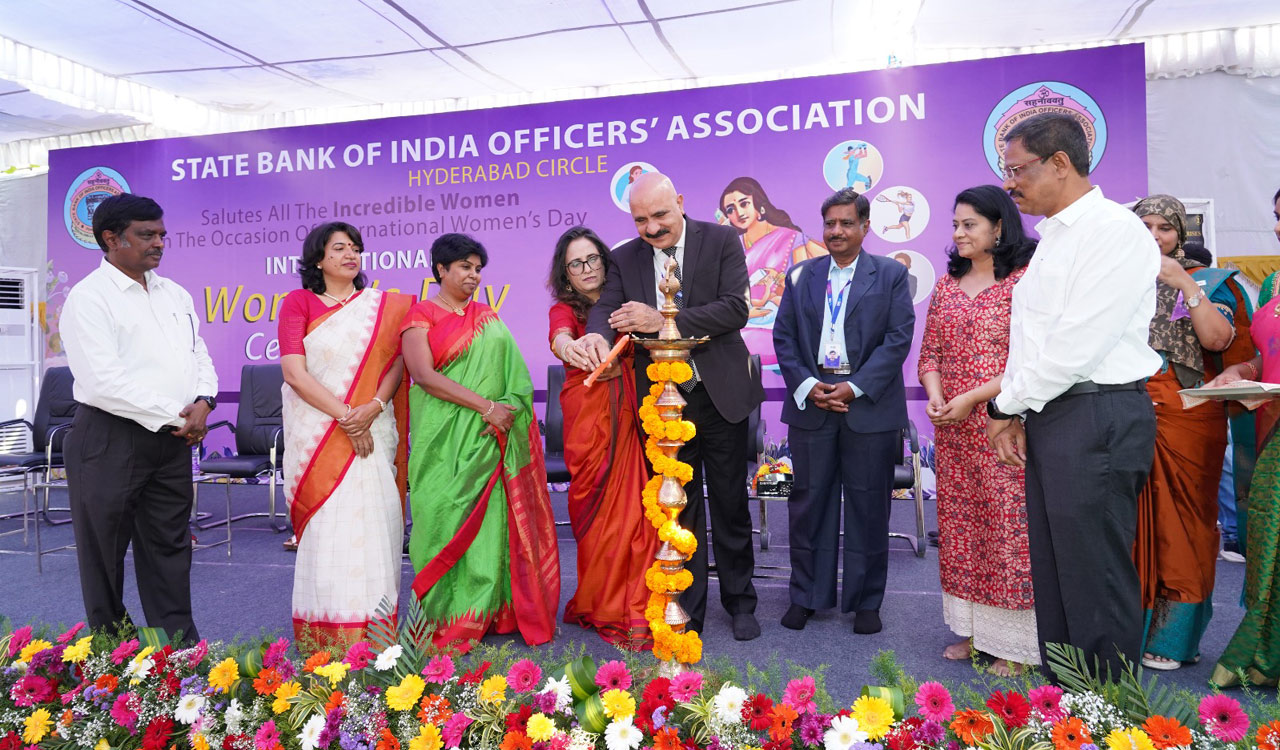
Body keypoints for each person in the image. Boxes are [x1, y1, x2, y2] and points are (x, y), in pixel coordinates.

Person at [986, 113, 1160, 679]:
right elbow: (1032, 343)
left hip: (1098, 413)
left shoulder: (1112, 230)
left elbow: (1075, 346)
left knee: (1096, 577)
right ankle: (1067, 709)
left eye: (1017, 169)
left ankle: (1109, 716)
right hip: (1057, 413)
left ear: (1060, 164)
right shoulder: (1054, 240)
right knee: (1059, 571)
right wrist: (1016, 407)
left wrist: (1004, 405)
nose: (1009, 183)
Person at [576, 171, 765, 641]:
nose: (652, 228)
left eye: (660, 215)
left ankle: (741, 602)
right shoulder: (624, 257)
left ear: (679, 201)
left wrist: (660, 319)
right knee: (678, 511)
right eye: (641, 220)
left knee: (728, 503)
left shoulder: (722, 240)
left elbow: (734, 309)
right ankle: (688, 607)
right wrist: (597, 335)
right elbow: (606, 309)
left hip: (719, 395)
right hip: (661, 405)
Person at [60, 193, 217, 644]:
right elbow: (104, 381)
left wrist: (204, 400)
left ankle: (177, 652)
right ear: (111, 239)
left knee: (169, 548)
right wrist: (181, 415)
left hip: (172, 440)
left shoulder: (176, 294)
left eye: (162, 234)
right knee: (104, 555)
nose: (159, 243)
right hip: (110, 438)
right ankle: (114, 655)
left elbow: (197, 353)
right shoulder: (89, 299)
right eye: (146, 235)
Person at [400, 233, 560, 650]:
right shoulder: (420, 316)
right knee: (440, 517)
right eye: (465, 268)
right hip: (442, 444)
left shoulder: (489, 317)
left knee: (490, 526)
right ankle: (441, 615)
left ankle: (489, 608)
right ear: (441, 270)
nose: (473, 276)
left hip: (489, 441)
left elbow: (516, 378)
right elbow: (424, 376)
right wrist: (487, 407)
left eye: (477, 269)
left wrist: (504, 409)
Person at [771, 188, 914, 635]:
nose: (836, 231)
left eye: (846, 223)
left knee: (870, 508)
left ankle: (866, 602)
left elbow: (897, 340)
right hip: (814, 405)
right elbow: (785, 338)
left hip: (867, 407)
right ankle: (806, 596)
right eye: (830, 223)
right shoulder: (800, 276)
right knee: (808, 506)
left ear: (865, 227)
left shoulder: (890, 275)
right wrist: (812, 386)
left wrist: (853, 388)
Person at [918, 185, 1037, 674]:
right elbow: (930, 354)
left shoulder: (1024, 281)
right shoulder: (948, 284)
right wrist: (936, 394)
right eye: (955, 224)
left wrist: (970, 399)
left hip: (1002, 424)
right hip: (953, 432)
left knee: (1007, 529)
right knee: (963, 529)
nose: (958, 233)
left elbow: (1027, 361)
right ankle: (975, 633)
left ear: (999, 227)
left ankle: (1014, 645)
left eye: (969, 224)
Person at [1130, 195, 1252, 671]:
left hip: (1186, 416)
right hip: (1126, 412)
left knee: (1181, 525)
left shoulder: (1209, 281)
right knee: (1132, 526)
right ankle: (1130, 628)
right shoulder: (1116, 278)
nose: (1154, 236)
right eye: (1145, 225)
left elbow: (1219, 341)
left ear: (1182, 234)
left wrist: (1184, 284)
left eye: (1165, 227)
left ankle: (1175, 638)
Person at [277, 221, 412, 651]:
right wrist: (347, 417)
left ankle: (377, 638)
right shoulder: (299, 302)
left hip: (373, 428)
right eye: (339, 248)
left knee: (376, 525)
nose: (350, 254)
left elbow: (397, 363)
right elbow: (294, 373)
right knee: (330, 530)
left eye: (355, 247)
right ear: (318, 258)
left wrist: (371, 410)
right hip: (321, 435)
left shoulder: (381, 307)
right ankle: (326, 637)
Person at [547, 226, 659, 648]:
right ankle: (599, 599)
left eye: (593, 258)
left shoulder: (626, 304)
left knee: (635, 513)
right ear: (566, 274)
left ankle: (630, 601)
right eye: (576, 264)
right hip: (589, 421)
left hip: (631, 417)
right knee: (593, 512)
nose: (587, 269)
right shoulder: (564, 310)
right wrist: (568, 347)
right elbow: (560, 337)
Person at [1208, 188, 1280, 688]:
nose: (1277, 228)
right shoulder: (1275, 280)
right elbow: (1266, 351)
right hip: (1270, 426)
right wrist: (1243, 368)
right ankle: (1266, 654)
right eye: (1278, 217)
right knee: (1267, 541)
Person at [719, 176, 827, 369]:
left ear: (758, 204)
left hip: (779, 323)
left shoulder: (791, 238)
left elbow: (808, 289)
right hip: (741, 320)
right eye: (730, 209)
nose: (739, 213)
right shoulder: (731, 246)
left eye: (744, 204)